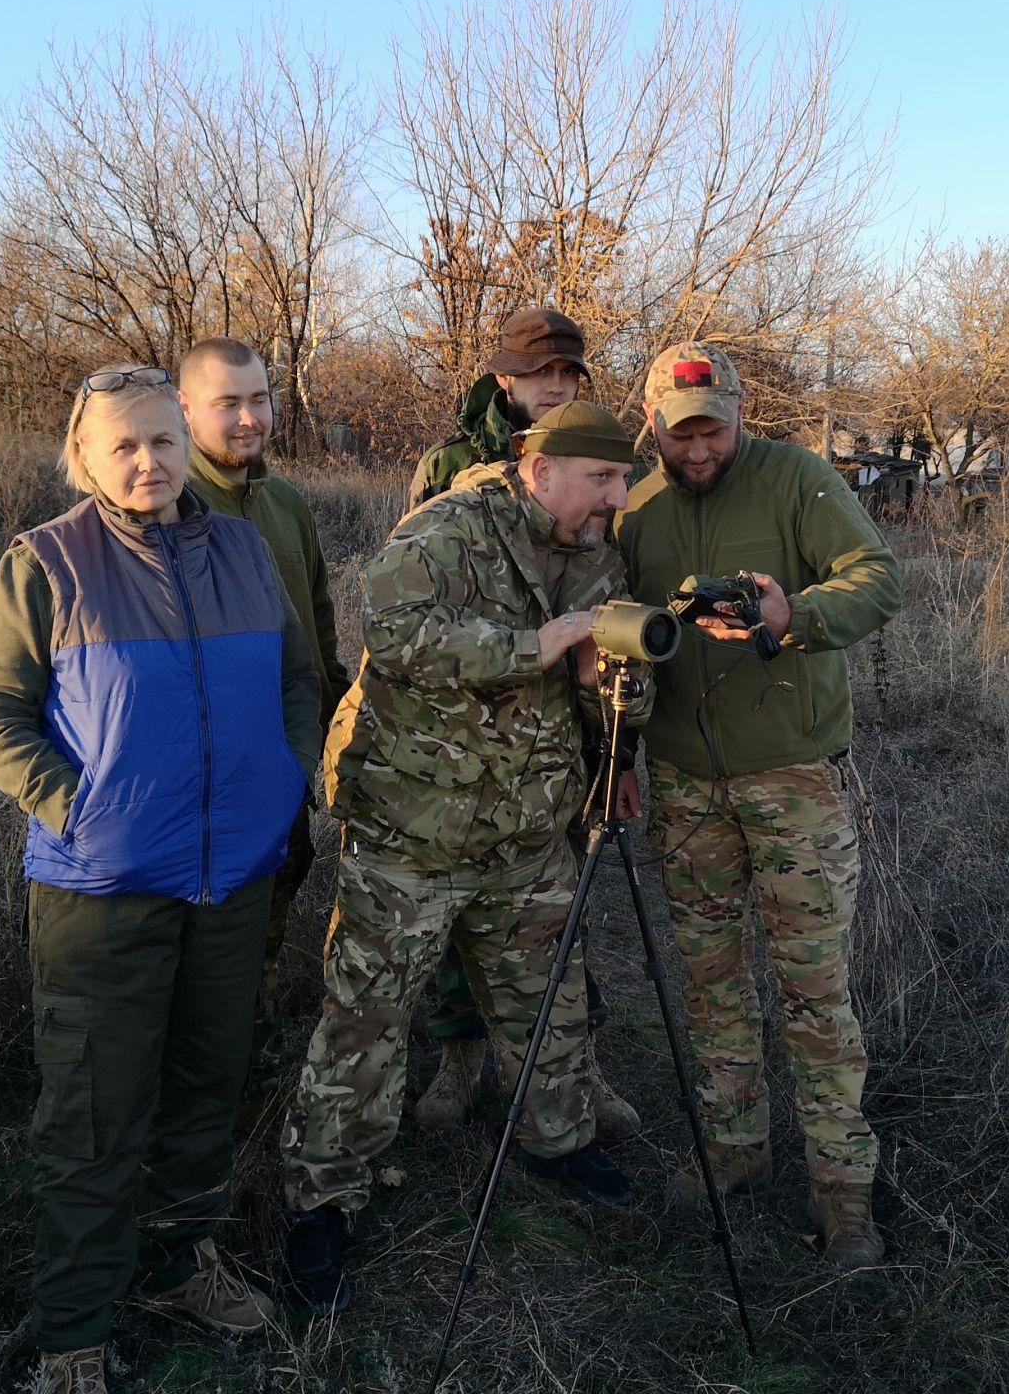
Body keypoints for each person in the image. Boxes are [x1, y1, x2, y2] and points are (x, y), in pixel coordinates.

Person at [0, 365, 323, 1393]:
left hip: (232, 880)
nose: (145, 462)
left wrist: (281, 782)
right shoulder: (45, 564)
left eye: (161, 440)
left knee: (205, 1088)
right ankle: (72, 1333)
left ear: (185, 443)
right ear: (82, 456)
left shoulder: (243, 548)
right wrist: (86, 810)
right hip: (102, 894)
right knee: (93, 1114)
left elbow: (300, 678)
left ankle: (177, 1265)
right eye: (120, 444)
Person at [280, 401, 649, 1312]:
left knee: (550, 1004)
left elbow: (609, 701)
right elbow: (395, 635)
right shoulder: (446, 527)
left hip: (527, 831)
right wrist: (539, 644)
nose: (615, 498)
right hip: (416, 830)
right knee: (366, 1018)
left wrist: (615, 690)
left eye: (621, 481)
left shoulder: (598, 552)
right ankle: (323, 1198)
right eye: (601, 480)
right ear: (541, 469)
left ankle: (556, 1143)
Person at [616, 342, 901, 1270]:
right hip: (684, 783)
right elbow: (610, 632)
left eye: (715, 429)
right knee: (711, 981)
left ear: (739, 415)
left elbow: (876, 579)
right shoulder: (636, 503)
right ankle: (735, 1146)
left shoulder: (797, 480)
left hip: (791, 780)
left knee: (815, 990)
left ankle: (843, 1194)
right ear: (652, 422)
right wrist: (620, 751)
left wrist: (794, 619)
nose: (699, 451)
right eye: (681, 432)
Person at [403, 306, 640, 1143]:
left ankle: (570, 1072)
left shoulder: (605, 460)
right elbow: (419, 600)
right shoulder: (451, 467)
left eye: (571, 374)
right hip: (462, 732)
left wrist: (612, 744)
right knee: (453, 921)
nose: (557, 385)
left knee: (555, 910)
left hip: (558, 731)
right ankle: (460, 1058)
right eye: (542, 373)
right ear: (504, 378)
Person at [175, 336, 350, 1119]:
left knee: (278, 895)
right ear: (185, 409)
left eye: (259, 399)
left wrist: (335, 717)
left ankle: (247, 1052)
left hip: (291, 749)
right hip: (211, 770)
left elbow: (315, 623)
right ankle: (207, 1089)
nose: (249, 419)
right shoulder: (171, 502)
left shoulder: (286, 504)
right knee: (209, 934)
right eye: (226, 403)